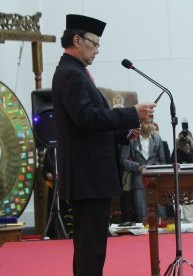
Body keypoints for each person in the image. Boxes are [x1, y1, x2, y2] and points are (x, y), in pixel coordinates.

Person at [52, 14, 156, 276]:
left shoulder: (76, 73)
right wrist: (131, 113)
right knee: (91, 249)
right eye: (94, 43)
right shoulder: (70, 74)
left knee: (93, 247)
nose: (97, 50)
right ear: (77, 40)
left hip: (91, 177)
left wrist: (124, 133)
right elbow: (86, 118)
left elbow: (90, 125)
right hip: (88, 177)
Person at [120, 116, 166, 223]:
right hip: (138, 180)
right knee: (142, 215)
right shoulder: (131, 139)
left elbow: (163, 161)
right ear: (140, 124)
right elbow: (123, 160)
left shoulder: (157, 138)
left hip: (156, 180)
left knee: (161, 214)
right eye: (147, 123)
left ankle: (163, 237)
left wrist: (153, 167)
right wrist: (138, 167)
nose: (150, 125)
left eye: (151, 122)